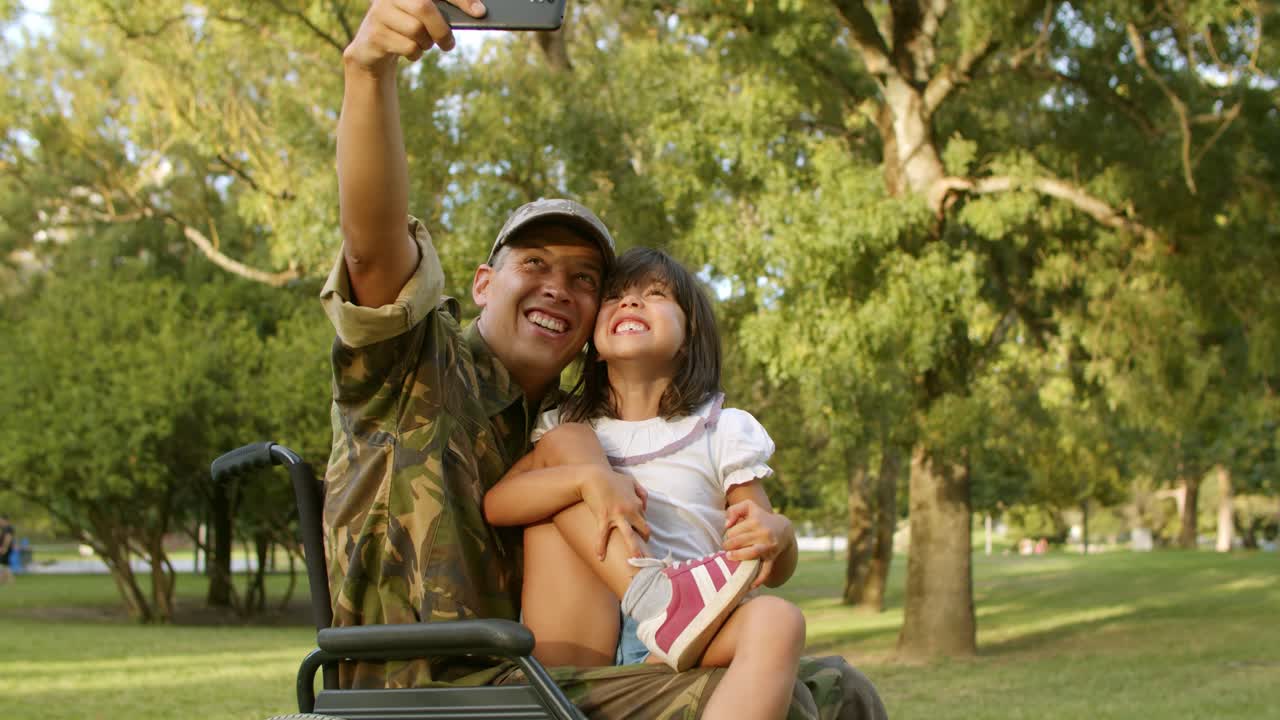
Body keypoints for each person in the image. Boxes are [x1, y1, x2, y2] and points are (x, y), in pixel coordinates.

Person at [322, 1, 887, 717]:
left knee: (842, 689)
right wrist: (368, 70)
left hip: (533, 676)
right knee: (798, 704)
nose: (559, 285)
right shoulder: (419, 368)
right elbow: (371, 246)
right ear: (484, 283)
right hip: (424, 690)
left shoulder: (565, 423)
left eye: (586, 278)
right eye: (535, 262)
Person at [486, 247, 806, 720]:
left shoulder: (721, 430)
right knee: (569, 442)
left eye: (654, 294)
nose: (630, 304)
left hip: (690, 638)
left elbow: (764, 556)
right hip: (580, 635)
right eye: (614, 296)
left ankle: (672, 608)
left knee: (781, 619)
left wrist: (779, 535)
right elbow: (497, 504)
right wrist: (588, 479)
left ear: (688, 336)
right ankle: (653, 596)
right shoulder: (565, 429)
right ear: (594, 340)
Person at [0, 516, 14, 585]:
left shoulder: (8, 528)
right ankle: (3, 580)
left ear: (5, 520)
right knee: (4, 564)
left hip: (6, 548)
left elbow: (8, 538)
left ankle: (10, 580)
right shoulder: (4, 528)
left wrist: (4, 547)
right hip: (5, 548)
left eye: (1, 520)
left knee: (5, 564)